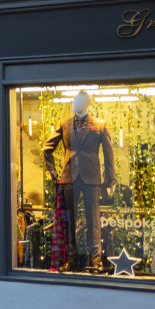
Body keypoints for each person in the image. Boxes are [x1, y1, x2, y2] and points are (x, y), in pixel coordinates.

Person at [43, 91, 116, 271]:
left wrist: (110, 179)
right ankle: (71, 259)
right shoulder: (65, 123)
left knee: (93, 221)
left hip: (91, 177)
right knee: (70, 220)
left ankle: (95, 260)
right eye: (75, 100)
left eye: (80, 101)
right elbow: (47, 148)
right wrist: (53, 172)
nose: (76, 103)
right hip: (70, 176)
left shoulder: (100, 125)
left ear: (87, 103)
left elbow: (109, 153)